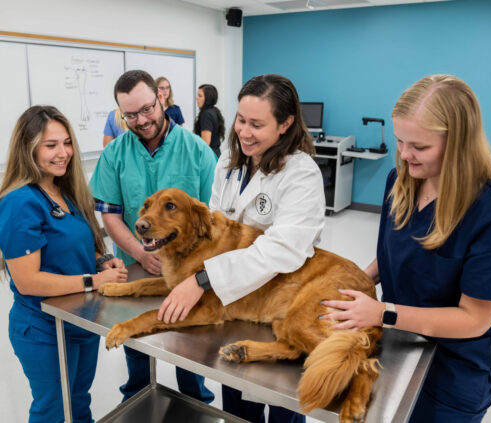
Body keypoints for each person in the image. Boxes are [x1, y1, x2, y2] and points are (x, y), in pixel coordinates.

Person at [321, 74, 491, 423]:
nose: (404, 155)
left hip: (450, 374)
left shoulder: (486, 211)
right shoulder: (400, 183)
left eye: (419, 146)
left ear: (457, 143)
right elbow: (396, 256)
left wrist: (383, 312)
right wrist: (352, 280)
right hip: (394, 348)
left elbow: (476, 319)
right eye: (401, 141)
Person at [158, 74, 326, 423]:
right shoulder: (229, 163)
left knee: (280, 402)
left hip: (281, 303)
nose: (244, 132)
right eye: (241, 120)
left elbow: (281, 250)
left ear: (286, 124)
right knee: (235, 400)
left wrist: (204, 280)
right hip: (235, 302)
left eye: (257, 124)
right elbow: (218, 231)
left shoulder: (301, 175)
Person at [89, 70, 218, 404]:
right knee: (135, 343)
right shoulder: (114, 154)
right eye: (130, 115)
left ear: (161, 98)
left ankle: (195, 400)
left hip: (189, 274)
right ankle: (137, 397)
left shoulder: (197, 151)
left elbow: (213, 222)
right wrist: (141, 254)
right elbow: (111, 214)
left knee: (189, 347)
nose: (141, 120)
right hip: (136, 266)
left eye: (147, 109)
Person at [0, 105, 128, 423]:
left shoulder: (63, 191)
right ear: (28, 149)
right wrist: (93, 281)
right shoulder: (20, 202)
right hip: (43, 328)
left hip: (80, 323)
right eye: (51, 145)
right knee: (54, 410)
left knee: (78, 403)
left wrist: (103, 261)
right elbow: (28, 280)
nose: (64, 153)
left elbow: (76, 242)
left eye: (67, 142)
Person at [194, 84, 225, 157]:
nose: (196, 98)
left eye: (200, 96)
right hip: (215, 154)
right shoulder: (214, 111)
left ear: (208, 98)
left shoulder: (206, 114)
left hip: (209, 156)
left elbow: (205, 143)